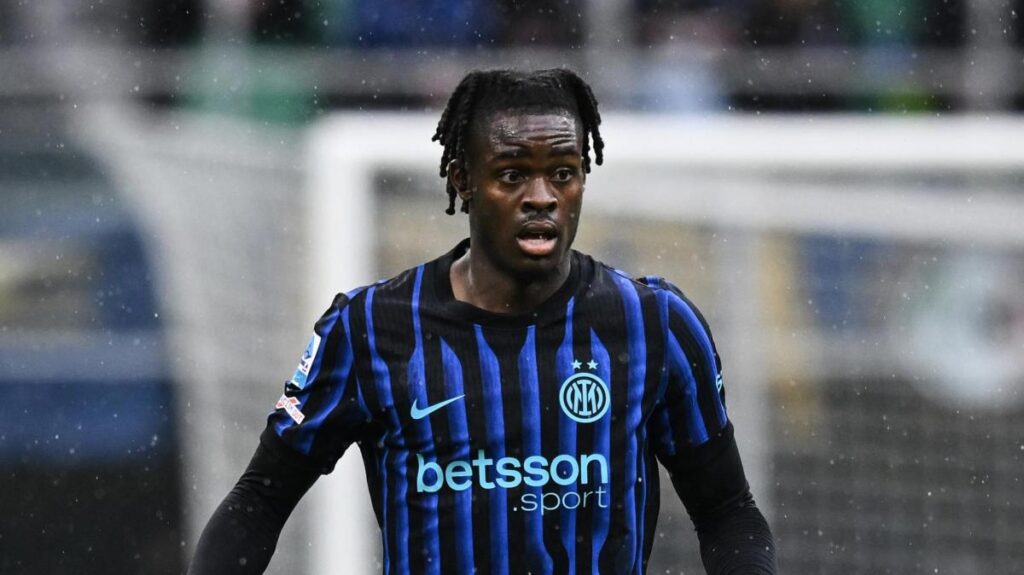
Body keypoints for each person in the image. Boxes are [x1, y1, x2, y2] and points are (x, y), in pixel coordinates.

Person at [188, 68, 777, 575]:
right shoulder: (369, 328)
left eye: (563, 172)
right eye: (513, 174)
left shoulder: (654, 324)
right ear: (462, 180)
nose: (542, 196)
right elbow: (259, 501)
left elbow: (728, 512)